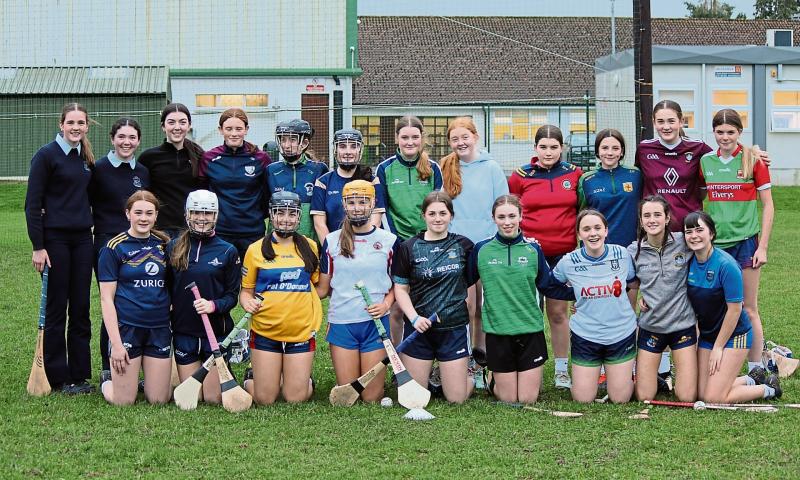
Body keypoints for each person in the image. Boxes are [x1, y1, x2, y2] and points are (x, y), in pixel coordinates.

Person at [467, 195, 573, 403]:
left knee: (527, 399)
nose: (507, 222)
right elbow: (463, 280)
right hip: (498, 331)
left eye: (512, 216)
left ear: (521, 216)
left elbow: (548, 285)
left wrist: (583, 294)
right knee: (508, 399)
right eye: (501, 217)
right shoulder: (481, 250)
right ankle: (493, 378)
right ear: (493, 218)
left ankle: (519, 376)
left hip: (530, 330)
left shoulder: (533, 249)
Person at [25, 103, 96, 394]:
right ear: (61, 124)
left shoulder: (85, 158)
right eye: (71, 122)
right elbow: (32, 205)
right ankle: (56, 376)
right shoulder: (46, 156)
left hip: (82, 240)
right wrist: (38, 247)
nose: (76, 127)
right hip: (54, 242)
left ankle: (79, 376)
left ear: (87, 126)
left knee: (81, 307)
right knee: (57, 308)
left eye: (81, 123)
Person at [507, 124, 582, 389]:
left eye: (554, 147)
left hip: (563, 254)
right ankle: (527, 365)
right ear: (535, 148)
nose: (548, 152)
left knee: (559, 312)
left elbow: (582, 213)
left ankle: (562, 370)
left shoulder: (574, 174)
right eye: (543, 147)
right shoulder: (520, 176)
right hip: (530, 253)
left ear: (562, 148)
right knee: (528, 311)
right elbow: (510, 211)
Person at [701, 109, 774, 375]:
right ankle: (712, 361)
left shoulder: (754, 160)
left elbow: (768, 206)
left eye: (730, 132)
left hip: (746, 243)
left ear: (739, 133)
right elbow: (698, 197)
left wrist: (762, 246)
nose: (724, 137)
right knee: (718, 306)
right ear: (714, 133)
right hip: (717, 246)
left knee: (749, 307)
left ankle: (756, 367)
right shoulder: (706, 162)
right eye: (719, 132)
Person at [683, 211, 781, 403]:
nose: (694, 235)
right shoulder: (688, 263)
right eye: (689, 231)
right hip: (708, 336)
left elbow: (735, 310)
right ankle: (751, 379)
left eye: (699, 230)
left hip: (735, 335)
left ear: (711, 233)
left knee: (713, 397)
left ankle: (768, 388)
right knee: (701, 394)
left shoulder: (726, 265)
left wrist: (719, 347)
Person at [317, 180, 399, 403]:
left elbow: (398, 284)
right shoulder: (332, 242)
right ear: (343, 205)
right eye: (351, 202)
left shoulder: (389, 241)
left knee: (372, 397)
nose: (357, 207)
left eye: (363, 202)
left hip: (375, 324)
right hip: (343, 323)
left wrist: (386, 304)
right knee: (349, 396)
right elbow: (323, 289)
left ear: (373, 203)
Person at [392, 191, 475, 403]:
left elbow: (472, 282)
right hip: (419, 330)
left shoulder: (464, 245)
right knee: (415, 399)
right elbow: (400, 289)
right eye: (432, 213)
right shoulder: (408, 247)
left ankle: (471, 376)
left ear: (451, 216)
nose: (438, 218)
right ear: (424, 216)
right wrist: (414, 318)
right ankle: (434, 376)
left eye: (443, 213)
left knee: (456, 398)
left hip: (453, 328)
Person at [239, 191, 321, 404]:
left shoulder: (310, 247)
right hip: (266, 330)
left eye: (292, 214)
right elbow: (246, 291)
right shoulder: (255, 250)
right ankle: (252, 375)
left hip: (300, 330)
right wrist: (247, 302)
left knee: (295, 398)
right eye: (280, 213)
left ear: (299, 216)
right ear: (271, 215)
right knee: (264, 399)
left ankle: (300, 379)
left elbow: (316, 286)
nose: (286, 219)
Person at [440, 116, 508, 367]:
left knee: (484, 306)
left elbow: (503, 206)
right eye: (455, 139)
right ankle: (464, 356)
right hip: (458, 249)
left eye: (465, 137)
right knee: (466, 306)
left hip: (487, 247)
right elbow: (441, 208)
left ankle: (482, 357)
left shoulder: (492, 168)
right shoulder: (446, 167)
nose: (461, 143)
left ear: (476, 137)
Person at [552, 210, 638, 404]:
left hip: (621, 333)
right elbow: (551, 285)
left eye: (598, 228)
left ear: (606, 231)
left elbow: (632, 283)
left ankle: (634, 374)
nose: (593, 233)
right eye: (587, 229)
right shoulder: (568, 262)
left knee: (620, 399)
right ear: (579, 234)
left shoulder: (622, 255)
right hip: (586, 335)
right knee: (582, 398)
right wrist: (577, 296)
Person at [98, 191, 171, 405]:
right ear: (127, 213)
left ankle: (147, 378)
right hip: (128, 327)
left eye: (149, 213)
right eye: (138, 212)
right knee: (124, 401)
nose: (143, 218)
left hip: (159, 328)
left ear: (156, 216)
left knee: (159, 399)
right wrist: (116, 345)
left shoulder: (165, 244)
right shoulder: (114, 247)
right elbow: (106, 300)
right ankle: (106, 381)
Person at [89, 117, 149, 379]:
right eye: (121, 137)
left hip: (137, 245)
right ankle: (107, 365)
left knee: (136, 302)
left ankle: (140, 363)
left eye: (132, 137)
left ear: (138, 141)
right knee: (111, 303)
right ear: (112, 139)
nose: (126, 142)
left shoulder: (143, 172)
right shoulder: (98, 168)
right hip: (107, 244)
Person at [167, 190, 240, 405]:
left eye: (208, 213)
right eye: (197, 212)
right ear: (187, 214)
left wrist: (213, 305)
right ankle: (173, 368)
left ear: (216, 216)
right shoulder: (173, 247)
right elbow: (168, 288)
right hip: (184, 332)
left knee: (213, 399)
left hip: (215, 334)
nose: (202, 218)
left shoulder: (228, 251)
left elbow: (232, 297)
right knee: (193, 399)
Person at [375, 116, 443, 343]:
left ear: (422, 139)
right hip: (399, 245)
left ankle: (427, 358)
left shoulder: (433, 169)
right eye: (405, 137)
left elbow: (437, 208)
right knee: (396, 308)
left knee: (426, 304)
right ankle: (397, 358)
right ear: (397, 138)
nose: (410, 142)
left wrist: (427, 239)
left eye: (415, 137)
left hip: (427, 244)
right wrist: (399, 242)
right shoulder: (384, 169)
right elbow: (382, 209)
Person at [627, 195, 697, 402]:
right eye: (646, 215)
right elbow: (626, 283)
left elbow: (707, 253)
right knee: (644, 396)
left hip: (682, 326)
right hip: (651, 326)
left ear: (667, 218)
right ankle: (653, 379)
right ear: (641, 220)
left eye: (657, 214)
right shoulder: (633, 251)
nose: (652, 220)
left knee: (686, 396)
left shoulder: (684, 243)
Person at [199, 108, 271, 260]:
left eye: (239, 129)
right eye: (228, 129)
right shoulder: (209, 158)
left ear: (246, 130)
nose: (234, 133)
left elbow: (267, 194)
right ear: (220, 130)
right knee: (222, 279)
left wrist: (254, 215)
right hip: (220, 232)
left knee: (251, 280)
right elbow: (204, 192)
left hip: (252, 231)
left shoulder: (260, 158)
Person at [138, 103, 204, 240]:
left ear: (189, 125)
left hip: (190, 230)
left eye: (182, 122)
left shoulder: (200, 156)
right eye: (171, 122)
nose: (177, 127)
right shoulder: (148, 157)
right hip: (159, 230)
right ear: (163, 126)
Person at [311, 128, 384, 240]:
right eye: (342, 146)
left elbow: (376, 220)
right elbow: (319, 225)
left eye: (353, 146)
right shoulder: (322, 183)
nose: (348, 152)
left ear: (360, 149)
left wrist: (363, 246)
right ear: (335, 149)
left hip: (366, 248)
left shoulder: (372, 181)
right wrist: (333, 250)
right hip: (335, 250)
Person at [577, 128, 642, 248]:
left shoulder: (635, 174)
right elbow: (581, 215)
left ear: (622, 151)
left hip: (632, 246)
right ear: (597, 150)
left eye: (615, 148)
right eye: (605, 148)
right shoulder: (586, 180)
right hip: (599, 248)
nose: (610, 153)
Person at [267, 119, 329, 240]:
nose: (286, 145)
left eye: (292, 139)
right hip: (278, 241)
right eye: (283, 139)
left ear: (305, 143)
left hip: (310, 242)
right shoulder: (271, 170)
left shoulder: (319, 169)